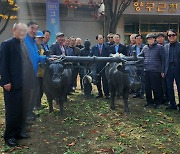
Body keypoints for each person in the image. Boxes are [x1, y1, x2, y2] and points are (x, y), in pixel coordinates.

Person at [0, 23, 33, 146]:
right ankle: (9, 136)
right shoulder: (6, 44)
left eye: (25, 30)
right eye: (20, 30)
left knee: (22, 110)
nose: (23, 32)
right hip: (12, 84)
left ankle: (19, 131)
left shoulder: (23, 44)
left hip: (24, 84)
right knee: (12, 111)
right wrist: (5, 81)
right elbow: (2, 65)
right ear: (14, 30)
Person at [24, 21, 47, 121]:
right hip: (25, 74)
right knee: (27, 96)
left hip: (34, 73)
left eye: (36, 29)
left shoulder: (33, 42)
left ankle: (29, 113)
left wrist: (47, 58)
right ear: (27, 28)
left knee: (33, 95)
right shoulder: (23, 41)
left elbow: (37, 57)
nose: (34, 31)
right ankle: (25, 116)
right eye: (32, 28)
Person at [138, 33, 164, 108]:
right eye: (148, 39)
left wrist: (162, 70)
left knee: (156, 87)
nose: (150, 40)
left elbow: (163, 59)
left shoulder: (159, 47)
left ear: (154, 39)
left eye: (151, 39)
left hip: (156, 71)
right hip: (146, 70)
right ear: (147, 40)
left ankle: (157, 102)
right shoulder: (145, 48)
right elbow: (140, 55)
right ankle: (149, 102)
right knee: (147, 87)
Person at [164, 29, 180, 110]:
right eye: (169, 35)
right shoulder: (165, 46)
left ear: (176, 36)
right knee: (169, 88)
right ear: (168, 37)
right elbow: (163, 60)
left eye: (173, 35)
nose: (171, 37)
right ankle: (172, 104)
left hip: (178, 69)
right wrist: (162, 71)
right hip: (168, 69)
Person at [90, 35, 110, 99]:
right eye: (100, 38)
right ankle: (100, 93)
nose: (101, 39)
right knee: (98, 80)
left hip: (105, 66)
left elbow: (109, 55)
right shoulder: (93, 48)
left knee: (105, 80)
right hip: (97, 66)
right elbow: (91, 55)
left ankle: (107, 94)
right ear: (97, 40)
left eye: (102, 38)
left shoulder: (107, 47)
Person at [131, 34, 145, 99]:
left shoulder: (145, 47)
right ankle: (137, 93)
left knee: (143, 80)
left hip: (142, 65)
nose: (138, 40)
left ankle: (142, 93)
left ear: (142, 39)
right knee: (135, 79)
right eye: (137, 39)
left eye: (139, 38)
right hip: (134, 66)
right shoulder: (132, 47)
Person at [156, 32, 169, 104]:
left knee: (166, 85)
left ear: (164, 38)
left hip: (166, 68)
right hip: (157, 68)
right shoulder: (156, 46)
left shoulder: (167, 45)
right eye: (158, 38)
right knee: (159, 85)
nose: (160, 39)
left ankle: (167, 99)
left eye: (161, 37)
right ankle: (161, 98)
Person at [35, 31, 45, 109]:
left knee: (41, 89)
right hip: (35, 73)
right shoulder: (33, 47)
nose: (40, 39)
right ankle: (35, 105)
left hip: (42, 72)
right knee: (36, 90)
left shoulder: (41, 46)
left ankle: (38, 104)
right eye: (39, 38)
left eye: (41, 38)